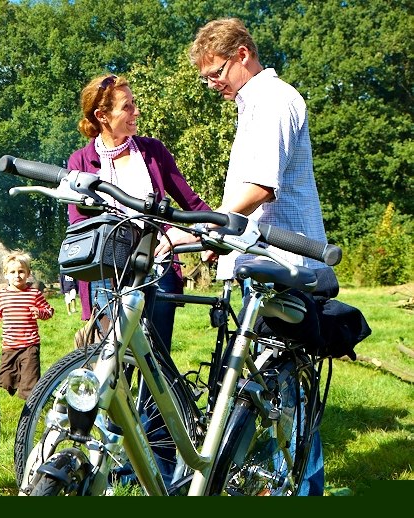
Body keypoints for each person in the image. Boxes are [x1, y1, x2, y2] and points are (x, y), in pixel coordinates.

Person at [188, 17, 332, 496]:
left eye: (216, 74)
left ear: (243, 54)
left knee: (284, 392)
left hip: (286, 265)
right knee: (266, 392)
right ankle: (271, 484)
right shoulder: (253, 105)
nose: (213, 86)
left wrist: (208, 223)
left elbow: (261, 186)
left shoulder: (271, 101)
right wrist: (222, 240)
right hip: (266, 259)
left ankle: (303, 489)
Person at [67, 73, 212, 352]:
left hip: (156, 265)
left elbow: (192, 204)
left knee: (156, 358)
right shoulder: (80, 161)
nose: (137, 111)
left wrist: (219, 227)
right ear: (102, 116)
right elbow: (79, 224)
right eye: (127, 106)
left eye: (135, 103)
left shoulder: (153, 151)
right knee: (109, 360)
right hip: (106, 271)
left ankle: (156, 398)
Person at [0, 250, 54, 400]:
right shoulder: (2, 295)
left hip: (30, 346)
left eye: (21, 271)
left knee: (30, 384)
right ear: (6, 274)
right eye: (12, 272)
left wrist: (40, 312)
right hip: (10, 346)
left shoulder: (34, 294)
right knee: (5, 381)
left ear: (28, 273)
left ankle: (31, 406)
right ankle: (18, 381)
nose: (17, 275)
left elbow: (49, 311)